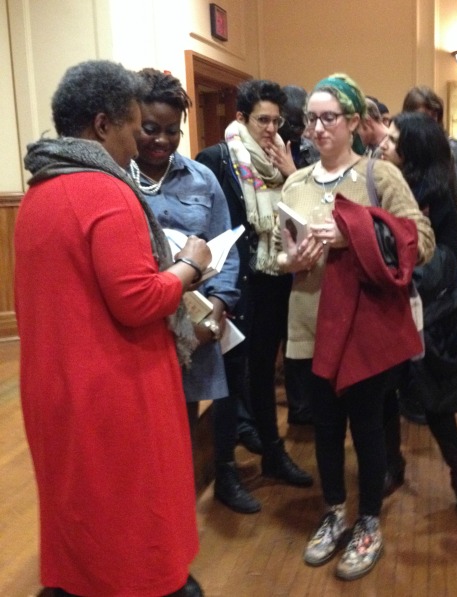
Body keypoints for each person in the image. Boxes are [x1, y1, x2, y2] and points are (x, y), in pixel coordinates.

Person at [14, 60, 212, 597]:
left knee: (80, 515)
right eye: (132, 126)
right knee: (136, 520)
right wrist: (190, 264)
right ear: (103, 125)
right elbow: (139, 299)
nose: (135, 141)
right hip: (115, 389)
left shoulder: (38, 192)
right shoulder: (105, 191)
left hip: (54, 384)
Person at [280, 73, 435, 580]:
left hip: (362, 326)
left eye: (329, 118)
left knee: (367, 429)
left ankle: (369, 520)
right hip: (308, 321)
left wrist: (353, 234)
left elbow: (421, 239)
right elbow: (273, 256)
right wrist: (292, 258)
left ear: (351, 122)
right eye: (311, 119)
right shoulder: (296, 183)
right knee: (323, 428)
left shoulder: (378, 176)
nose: (318, 129)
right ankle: (333, 512)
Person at [129, 68, 260, 515]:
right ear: (132, 122)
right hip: (141, 321)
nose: (161, 140)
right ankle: (148, 502)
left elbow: (227, 245)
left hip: (197, 321)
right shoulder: (115, 180)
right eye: (150, 129)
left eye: (171, 131)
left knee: (193, 410)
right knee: (145, 421)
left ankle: (202, 486)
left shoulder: (202, 178)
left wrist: (219, 308)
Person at [196, 79, 313, 488]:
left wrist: (292, 175)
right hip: (233, 283)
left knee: (263, 371)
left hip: (274, 281)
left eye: (276, 120)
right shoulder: (216, 159)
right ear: (241, 118)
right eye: (262, 120)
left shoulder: (284, 159)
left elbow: (302, 216)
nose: (270, 129)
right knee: (229, 374)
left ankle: (274, 454)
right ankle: (226, 468)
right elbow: (210, 225)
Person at [379, 112, 457, 525]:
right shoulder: (377, 181)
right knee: (385, 394)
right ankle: (392, 466)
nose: (384, 144)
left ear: (413, 150)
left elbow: (447, 253)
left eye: (392, 140)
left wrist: (404, 274)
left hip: (428, 310)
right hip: (385, 306)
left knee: (436, 404)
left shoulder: (436, 192)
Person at [280, 84, 320, 425]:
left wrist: (290, 172)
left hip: (310, 259)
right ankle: (299, 407)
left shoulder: (309, 150)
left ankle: (307, 405)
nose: (302, 131)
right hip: (276, 259)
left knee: (305, 338)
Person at [401, 85, 457, 200]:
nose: (430, 123)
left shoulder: (446, 152)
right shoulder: (395, 150)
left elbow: (454, 201)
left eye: (434, 116)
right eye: (423, 117)